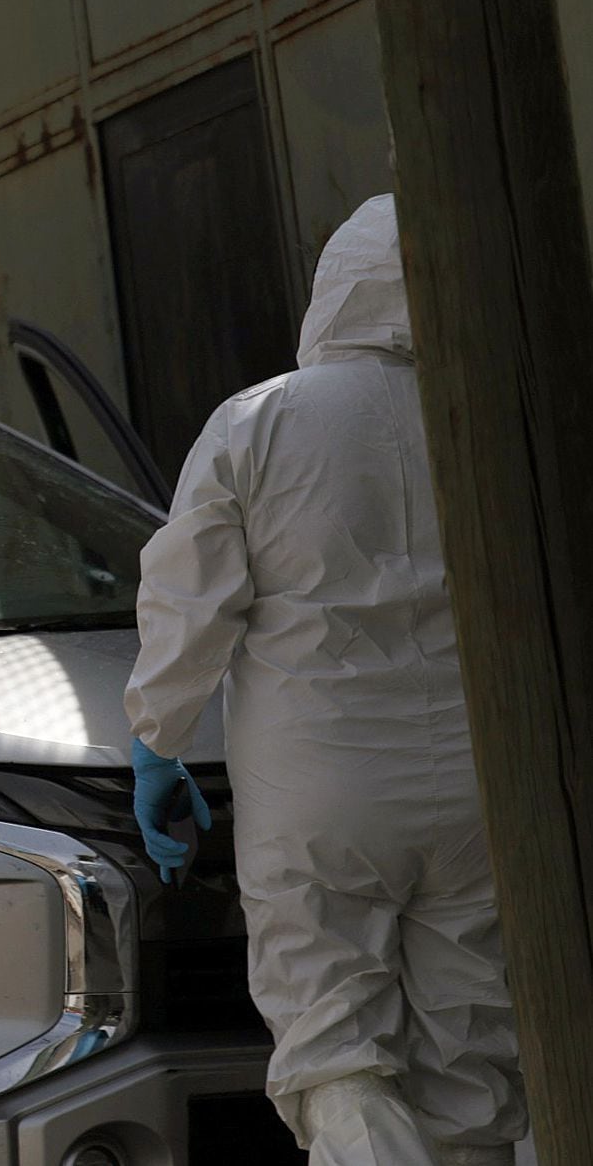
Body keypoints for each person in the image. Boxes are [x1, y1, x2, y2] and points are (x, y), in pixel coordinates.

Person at [123, 195, 526, 1166]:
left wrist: (155, 743)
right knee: (471, 1065)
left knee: (333, 1054)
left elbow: (188, 605)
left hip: (317, 800)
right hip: (476, 791)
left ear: (334, 291)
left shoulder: (259, 421)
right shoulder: (489, 415)